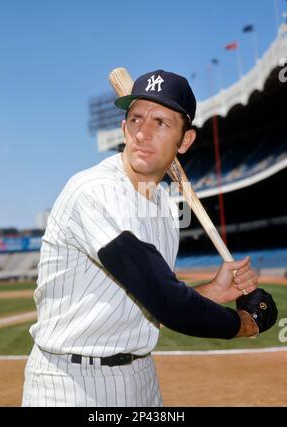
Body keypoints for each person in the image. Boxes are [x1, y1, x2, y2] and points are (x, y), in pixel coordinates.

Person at [22, 70, 274, 407]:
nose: (143, 132)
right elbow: (165, 300)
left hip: (141, 378)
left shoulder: (167, 209)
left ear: (185, 142)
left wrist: (211, 293)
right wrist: (245, 324)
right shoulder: (93, 192)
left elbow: (147, 306)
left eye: (161, 123)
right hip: (70, 383)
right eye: (136, 119)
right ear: (124, 128)